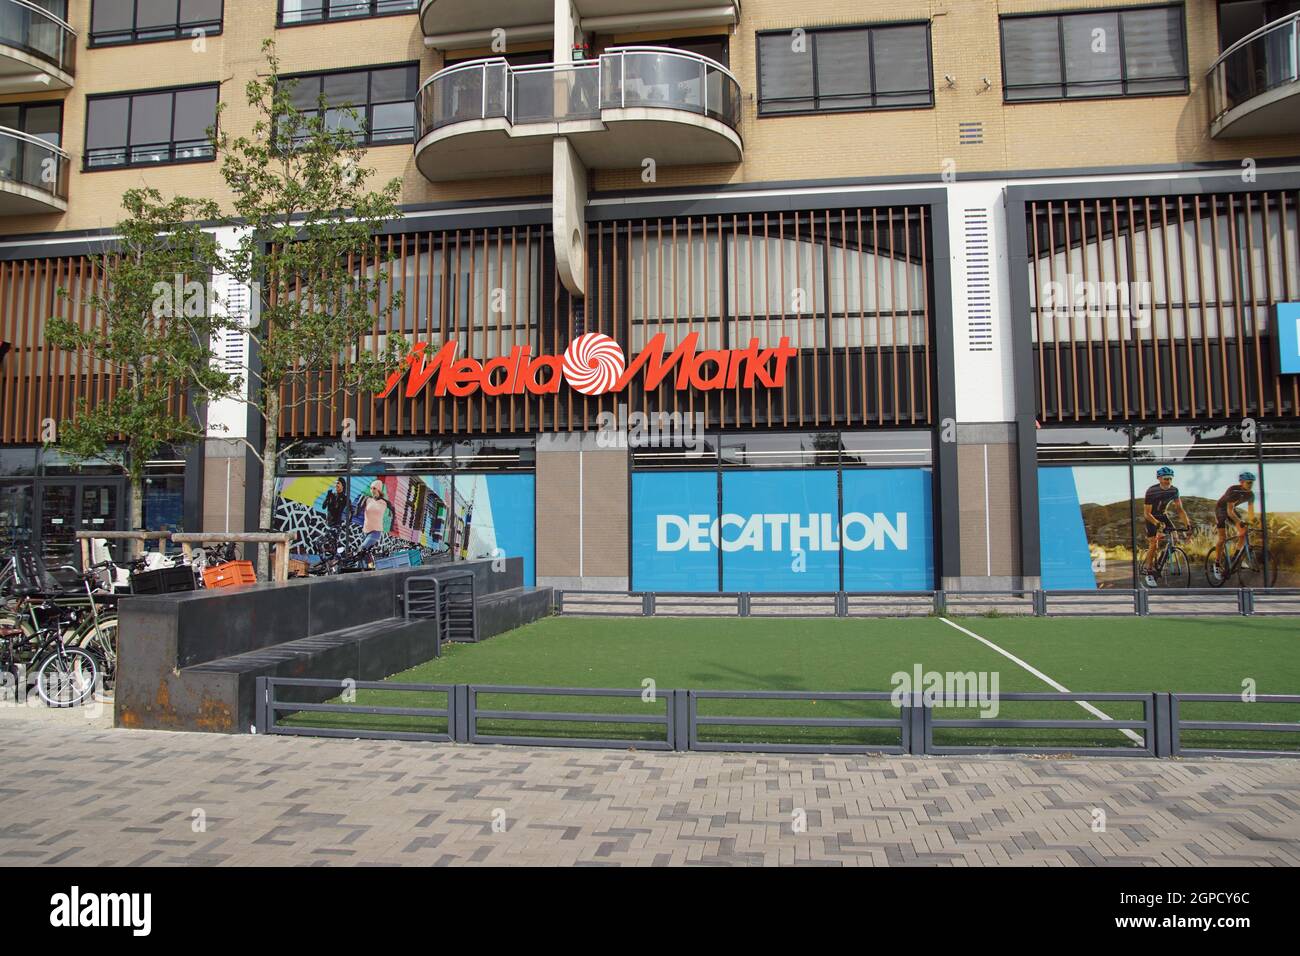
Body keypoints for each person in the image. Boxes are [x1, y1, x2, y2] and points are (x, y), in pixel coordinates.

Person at [1141, 466, 1189, 587]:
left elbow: (1180, 509)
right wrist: (1157, 523)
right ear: (1159, 478)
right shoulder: (1151, 491)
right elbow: (1146, 513)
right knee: (1153, 543)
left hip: (1163, 515)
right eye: (1166, 478)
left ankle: (1164, 557)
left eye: (1170, 479)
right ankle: (1149, 571)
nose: (1168, 481)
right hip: (1151, 516)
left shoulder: (1174, 490)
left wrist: (1188, 524)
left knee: (1174, 537)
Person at [1213, 471, 1257, 579]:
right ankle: (1217, 564)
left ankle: (1236, 559)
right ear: (1241, 482)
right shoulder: (1234, 490)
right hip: (1221, 510)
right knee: (1223, 538)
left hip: (1232, 510)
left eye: (1252, 483)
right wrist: (1239, 521)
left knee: (1244, 532)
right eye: (1248, 483)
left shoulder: (1251, 494)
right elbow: (1229, 512)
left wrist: (1255, 521)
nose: (1251, 485)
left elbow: (1251, 513)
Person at [360, 480, 391, 552]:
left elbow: (392, 512)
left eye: (374, 488)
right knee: (364, 555)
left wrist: (389, 524)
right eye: (371, 488)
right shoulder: (368, 500)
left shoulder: (385, 502)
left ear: (379, 489)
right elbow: (359, 509)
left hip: (376, 532)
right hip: (365, 531)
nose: (372, 490)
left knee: (362, 548)